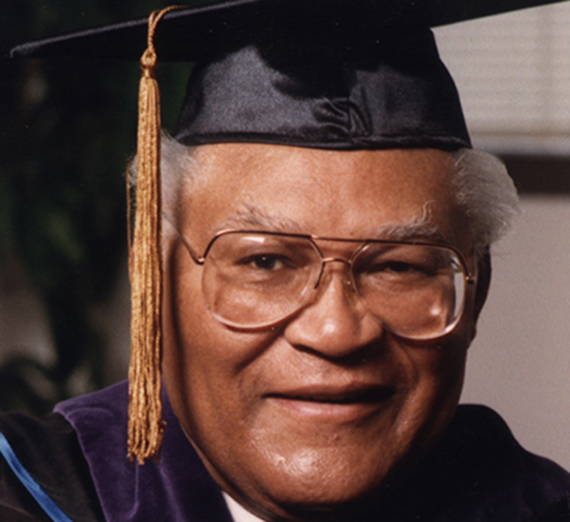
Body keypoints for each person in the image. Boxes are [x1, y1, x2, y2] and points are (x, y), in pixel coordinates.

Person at [1, 1, 570, 521]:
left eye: (398, 267)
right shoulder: (32, 495)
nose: (337, 331)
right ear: (156, 277)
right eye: (266, 261)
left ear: (476, 292)